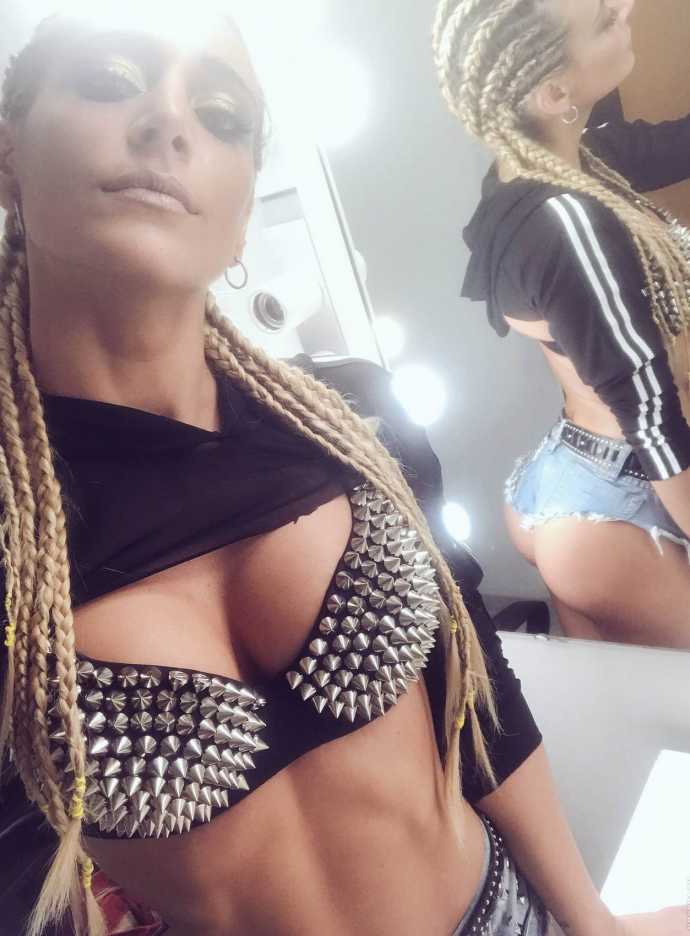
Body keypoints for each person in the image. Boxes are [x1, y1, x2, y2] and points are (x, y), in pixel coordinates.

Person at [0, 5, 683, 935]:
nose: (168, 123)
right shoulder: (19, 529)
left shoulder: (349, 417)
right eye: (110, 80)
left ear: (242, 219)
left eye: (222, 116)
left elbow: (477, 689)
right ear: (9, 154)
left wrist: (590, 921)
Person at [433, 0, 690, 647]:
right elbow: (652, 418)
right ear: (554, 92)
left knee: (627, 703)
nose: (625, 8)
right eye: (604, 19)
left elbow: (677, 142)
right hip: (622, 503)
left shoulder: (564, 166)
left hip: (588, 478)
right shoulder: (567, 226)